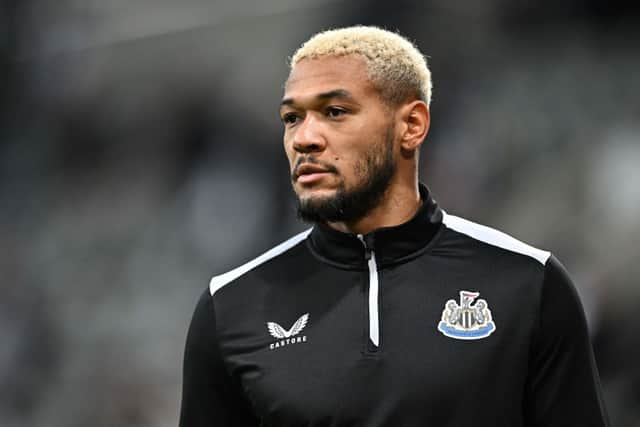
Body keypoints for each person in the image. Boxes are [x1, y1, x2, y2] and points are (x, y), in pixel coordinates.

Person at [179, 26, 609, 426]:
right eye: (292, 117)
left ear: (412, 125)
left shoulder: (528, 285)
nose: (304, 138)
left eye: (334, 111)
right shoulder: (230, 308)